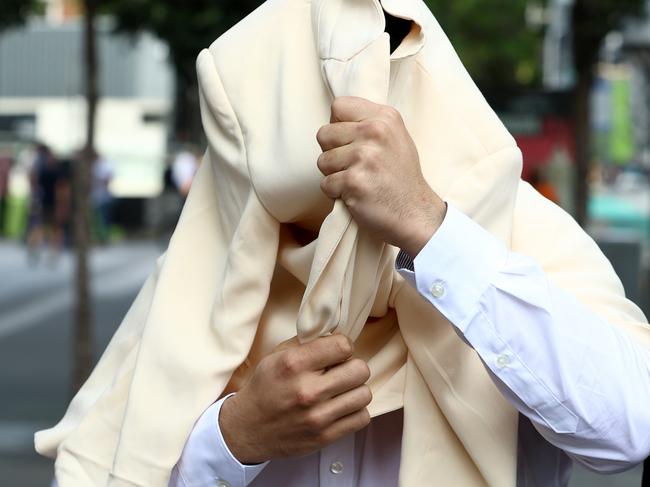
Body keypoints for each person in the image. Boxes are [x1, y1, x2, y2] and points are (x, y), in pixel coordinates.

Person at [36, 1, 650, 486]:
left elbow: (627, 427)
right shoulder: (205, 266)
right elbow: (106, 467)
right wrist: (231, 441)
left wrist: (430, 229)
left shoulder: (513, 229)